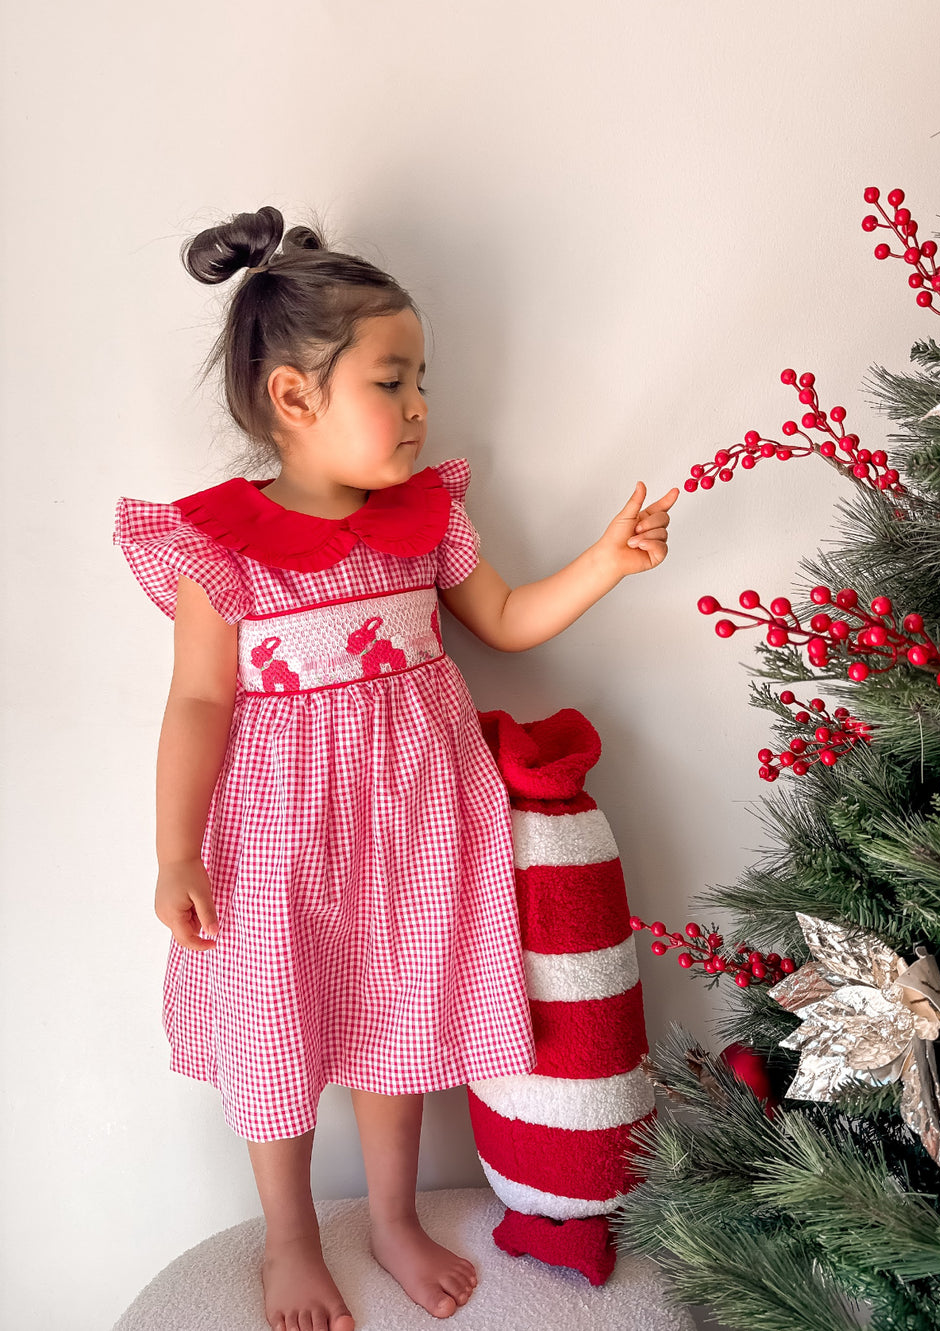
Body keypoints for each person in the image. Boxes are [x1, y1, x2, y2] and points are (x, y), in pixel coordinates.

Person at [113, 204, 679, 1331]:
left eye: (422, 380)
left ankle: (389, 1215)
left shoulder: (426, 520)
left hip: (418, 828)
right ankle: (287, 1237)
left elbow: (507, 620)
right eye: (392, 381)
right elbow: (199, 700)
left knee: (399, 1022)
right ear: (294, 396)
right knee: (276, 1031)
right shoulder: (219, 549)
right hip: (278, 843)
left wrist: (604, 563)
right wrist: (176, 851)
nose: (421, 405)